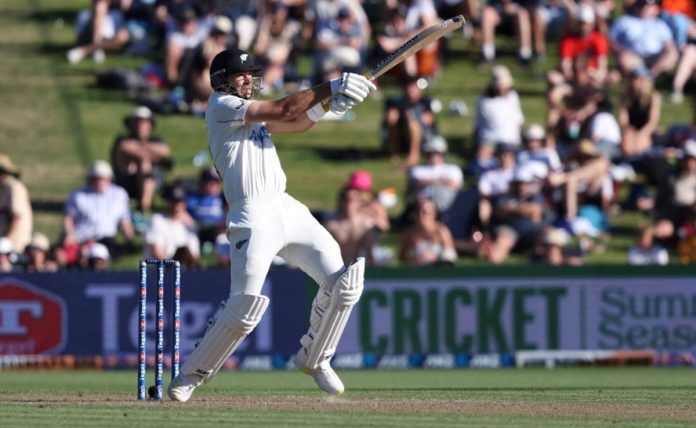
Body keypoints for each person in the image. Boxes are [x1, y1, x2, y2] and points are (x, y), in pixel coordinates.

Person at [167, 48, 377, 401]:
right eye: (240, 75)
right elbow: (284, 109)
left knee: (345, 283)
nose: (248, 80)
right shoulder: (221, 106)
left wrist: (330, 106)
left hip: (285, 205)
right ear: (221, 81)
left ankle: (316, 358)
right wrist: (332, 85)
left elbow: (297, 123)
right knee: (245, 306)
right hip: (252, 214)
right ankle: (190, 376)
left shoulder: (251, 116)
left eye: (251, 74)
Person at [62, 160, 135, 264]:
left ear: (109, 179)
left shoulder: (119, 195)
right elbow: (69, 218)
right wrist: (70, 234)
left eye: (103, 179)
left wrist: (129, 239)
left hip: (106, 240)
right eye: (96, 179)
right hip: (82, 238)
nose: (100, 182)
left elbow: (124, 220)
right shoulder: (78, 195)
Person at [111, 106, 172, 213]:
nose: (140, 125)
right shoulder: (122, 139)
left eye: (144, 122)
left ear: (150, 124)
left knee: (145, 165)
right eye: (137, 121)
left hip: (152, 179)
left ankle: (144, 208)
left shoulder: (157, 139)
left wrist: (139, 148)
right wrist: (151, 154)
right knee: (144, 162)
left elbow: (165, 151)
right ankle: (144, 208)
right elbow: (125, 147)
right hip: (126, 176)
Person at [382, 74, 437, 167]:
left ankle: (414, 155)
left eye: (413, 87)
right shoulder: (395, 102)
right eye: (408, 87)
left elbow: (429, 120)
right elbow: (388, 119)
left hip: (422, 135)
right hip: (399, 132)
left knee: (412, 122)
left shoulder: (425, 102)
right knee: (393, 116)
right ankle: (394, 152)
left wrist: (413, 116)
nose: (410, 90)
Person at [145, 185, 200, 263]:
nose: (176, 205)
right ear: (167, 202)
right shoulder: (157, 220)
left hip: (183, 268)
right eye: (173, 201)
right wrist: (174, 265)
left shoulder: (189, 224)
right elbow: (157, 252)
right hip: (160, 268)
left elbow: (195, 256)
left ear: (185, 203)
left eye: (179, 202)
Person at [324, 187, 378, 266]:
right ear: (341, 202)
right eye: (346, 200)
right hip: (336, 266)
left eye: (353, 200)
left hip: (357, 267)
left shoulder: (367, 225)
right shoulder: (332, 225)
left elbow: (370, 253)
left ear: (359, 202)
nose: (349, 203)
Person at [399, 197, 457, 266]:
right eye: (417, 212)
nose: (421, 215)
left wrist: (436, 259)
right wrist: (413, 258)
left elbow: (450, 256)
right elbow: (402, 257)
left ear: (433, 214)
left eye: (425, 212)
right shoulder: (410, 233)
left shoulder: (441, 231)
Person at [0, 154, 32, 254]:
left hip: (14, 247)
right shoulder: (4, 188)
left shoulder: (14, 188)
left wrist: (6, 241)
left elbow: (17, 216)